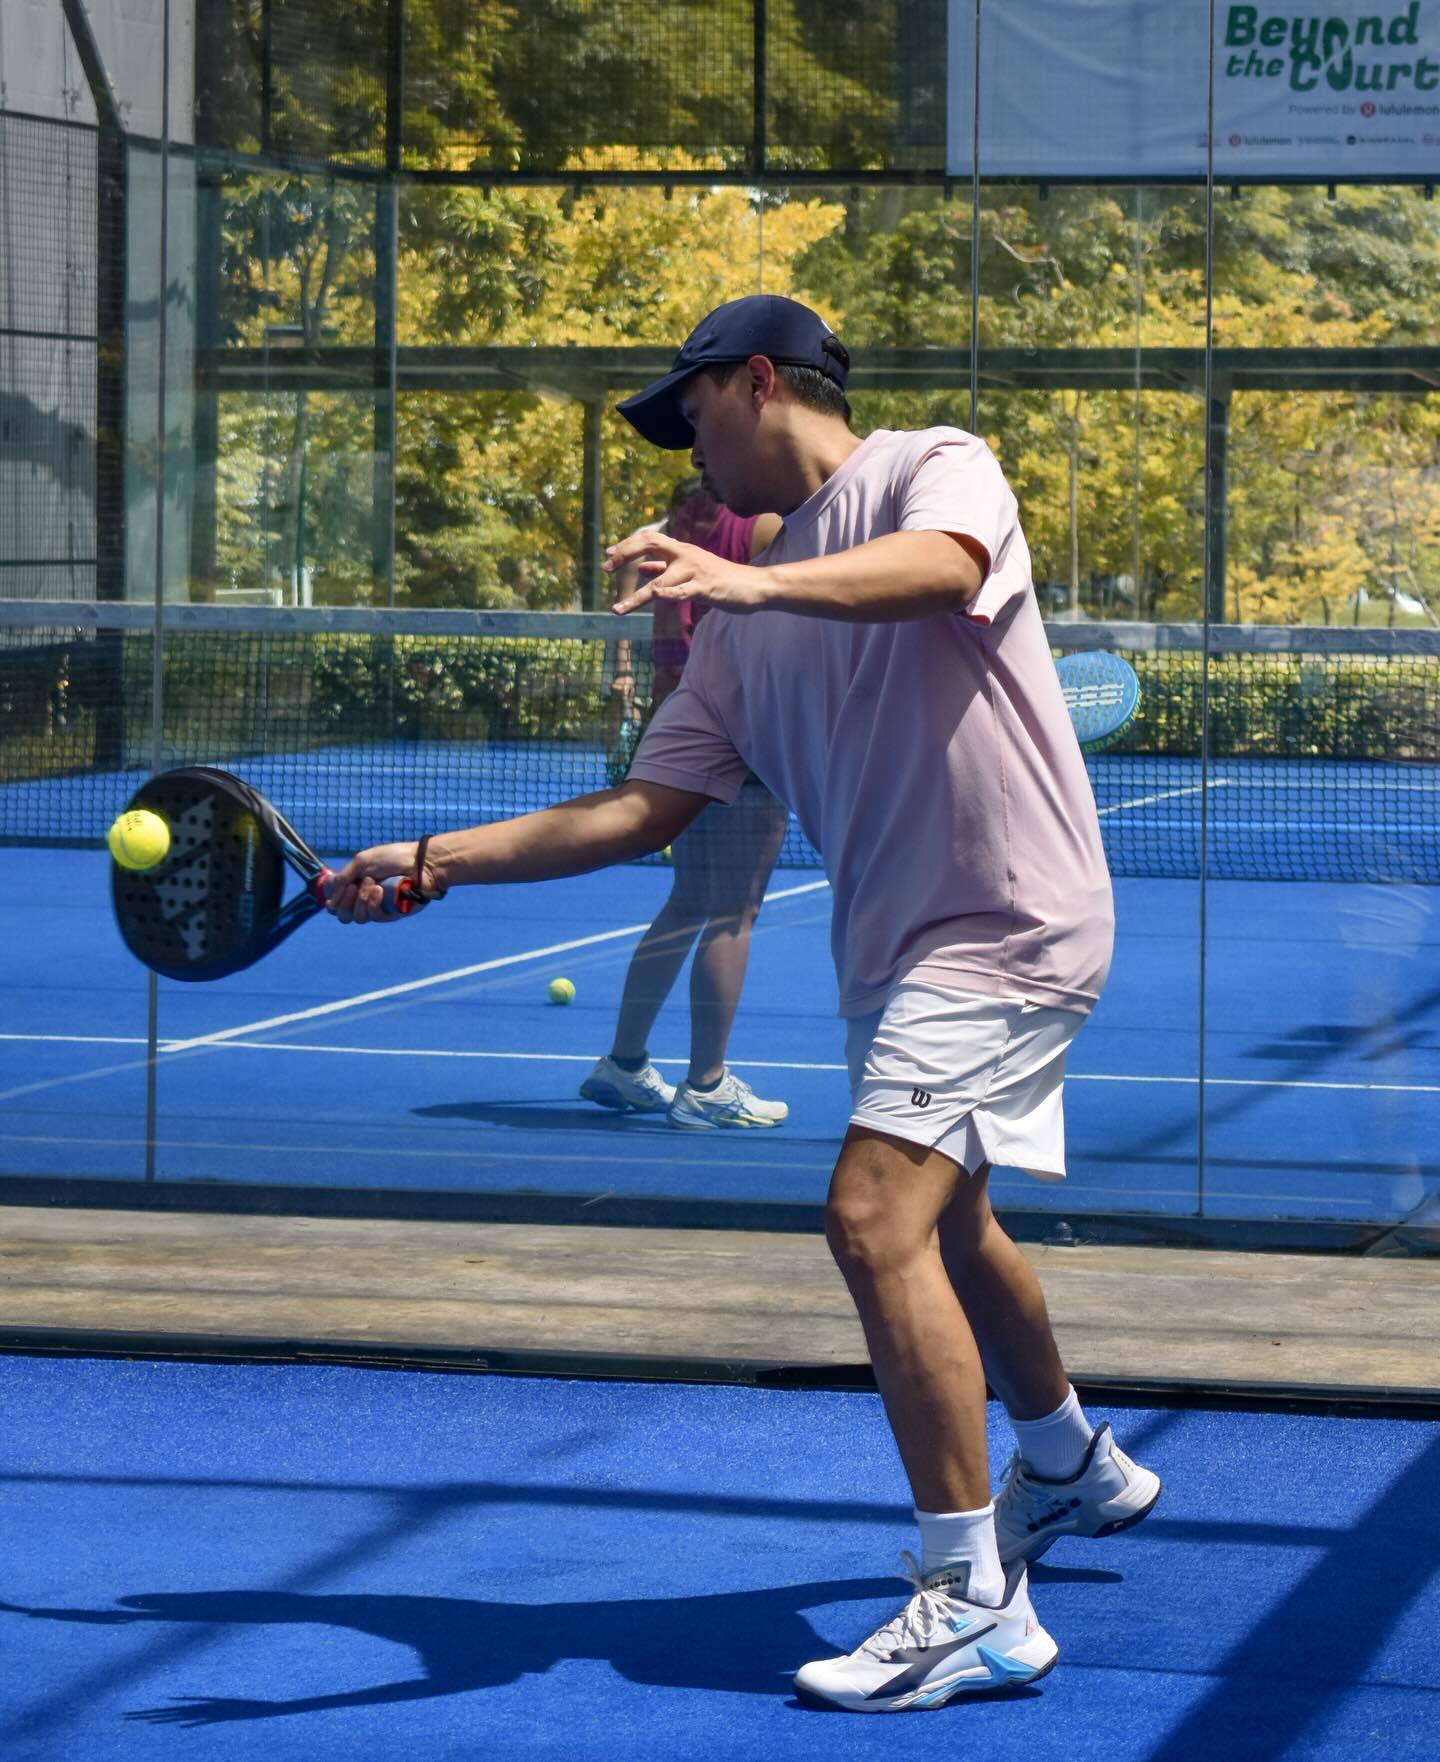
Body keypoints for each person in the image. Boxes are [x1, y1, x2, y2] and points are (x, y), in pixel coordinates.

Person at [327, 293, 1162, 1714]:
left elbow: (939, 566)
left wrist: (755, 582)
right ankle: (1076, 1461)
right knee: (948, 1216)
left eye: (693, 411)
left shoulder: (928, 465)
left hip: (1008, 921)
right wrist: (431, 861)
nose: (686, 448)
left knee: (869, 1214)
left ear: (763, 381)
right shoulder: (730, 635)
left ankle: (970, 1601)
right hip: (897, 948)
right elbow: (645, 810)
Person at [581, 478, 791, 1129]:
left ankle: (623, 1062)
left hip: (678, 720)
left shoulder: (673, 533)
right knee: (734, 912)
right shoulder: (763, 527)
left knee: (688, 901)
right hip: (744, 729)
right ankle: (706, 1085)